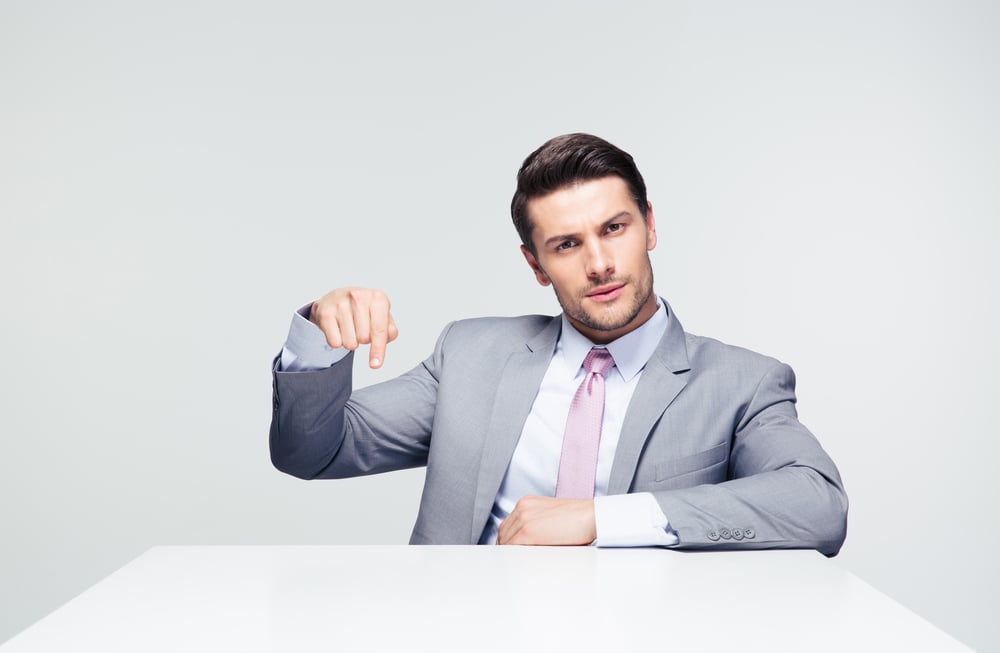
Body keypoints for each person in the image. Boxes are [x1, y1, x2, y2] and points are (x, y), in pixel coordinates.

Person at [269, 133, 848, 555]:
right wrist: (321, 337)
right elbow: (311, 453)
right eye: (567, 244)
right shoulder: (469, 356)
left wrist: (600, 519)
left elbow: (818, 506)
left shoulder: (741, 382)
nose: (599, 264)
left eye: (614, 228)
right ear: (536, 265)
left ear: (650, 225)